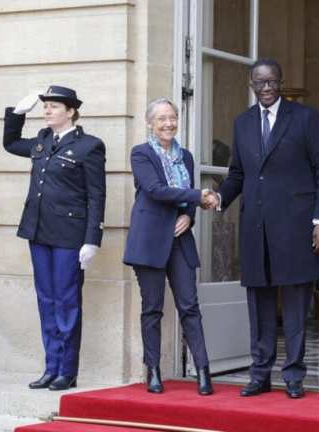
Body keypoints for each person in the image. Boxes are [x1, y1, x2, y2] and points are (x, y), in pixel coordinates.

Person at [215, 58, 319, 399]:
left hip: (298, 228)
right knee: (260, 307)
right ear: (251, 84)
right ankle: (260, 374)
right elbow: (239, 173)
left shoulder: (305, 118)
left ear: (280, 82)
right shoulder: (242, 124)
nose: (266, 88)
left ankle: (294, 376)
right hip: (256, 228)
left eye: (271, 82)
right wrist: (220, 197)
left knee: (296, 308)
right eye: (259, 82)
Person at [3, 85, 106, 391]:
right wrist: (17, 113)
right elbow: (10, 143)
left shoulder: (89, 146)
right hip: (38, 231)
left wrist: (92, 239)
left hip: (69, 236)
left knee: (67, 301)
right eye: (45, 106)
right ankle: (51, 366)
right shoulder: (42, 141)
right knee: (46, 300)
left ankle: (67, 370)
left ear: (71, 111)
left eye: (54, 107)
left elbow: (96, 196)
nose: (47, 111)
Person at [123, 98, 217, 396]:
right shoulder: (141, 154)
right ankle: (153, 370)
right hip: (150, 240)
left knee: (189, 306)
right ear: (150, 123)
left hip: (180, 241)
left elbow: (186, 200)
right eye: (162, 118)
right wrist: (199, 195)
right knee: (151, 309)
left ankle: (203, 370)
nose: (168, 123)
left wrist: (190, 213)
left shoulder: (186, 156)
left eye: (173, 117)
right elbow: (155, 190)